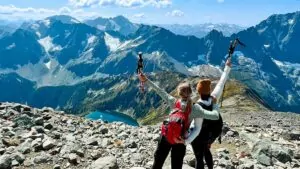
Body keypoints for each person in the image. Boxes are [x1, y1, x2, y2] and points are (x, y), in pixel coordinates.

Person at [138, 74, 221, 169]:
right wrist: (214, 104)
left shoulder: (173, 101)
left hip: (166, 136)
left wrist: (146, 80)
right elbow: (215, 116)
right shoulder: (195, 108)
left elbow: (159, 91)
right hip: (180, 140)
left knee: (158, 163)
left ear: (179, 93)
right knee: (176, 166)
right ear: (191, 93)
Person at [188, 58, 232, 169]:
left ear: (198, 91)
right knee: (207, 152)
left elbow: (194, 124)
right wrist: (227, 67)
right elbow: (221, 83)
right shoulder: (214, 98)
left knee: (199, 158)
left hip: (197, 136)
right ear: (209, 90)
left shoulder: (197, 106)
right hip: (208, 135)